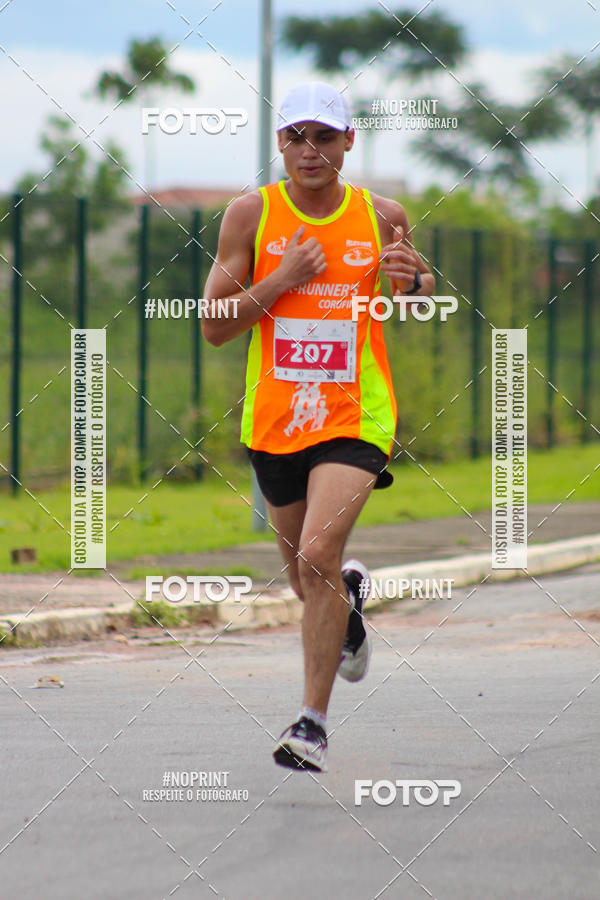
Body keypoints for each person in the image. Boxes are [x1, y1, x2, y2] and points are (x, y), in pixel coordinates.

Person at [202, 82, 435, 773]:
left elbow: (413, 301)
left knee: (317, 553)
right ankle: (348, 613)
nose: (310, 150)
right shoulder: (251, 215)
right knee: (309, 581)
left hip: (355, 415)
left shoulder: (382, 215)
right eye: (296, 136)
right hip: (276, 420)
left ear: (348, 142)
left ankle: (311, 724)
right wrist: (282, 278)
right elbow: (214, 325)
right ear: (280, 142)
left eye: (325, 136)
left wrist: (415, 284)